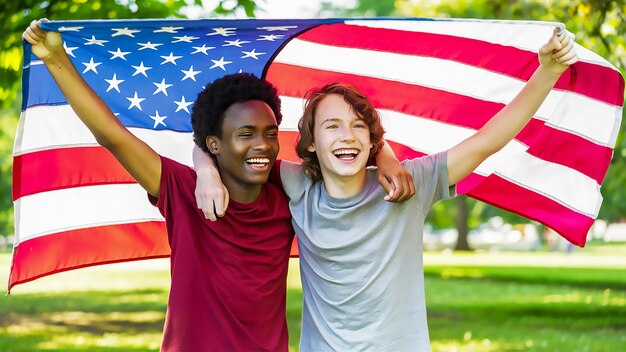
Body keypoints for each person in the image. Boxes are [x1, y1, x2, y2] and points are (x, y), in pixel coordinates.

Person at [23, 18, 414, 352]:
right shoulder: (180, 189)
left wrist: (385, 155)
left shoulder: (287, 190)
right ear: (215, 143)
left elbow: (343, 156)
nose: (262, 144)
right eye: (245, 134)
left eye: (269, 132)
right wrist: (56, 59)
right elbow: (113, 136)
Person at [194, 28, 578, 351]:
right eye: (332, 127)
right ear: (310, 143)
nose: (347, 135)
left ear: (372, 139)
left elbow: (487, 141)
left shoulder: (411, 186)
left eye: (359, 126)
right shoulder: (297, 185)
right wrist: (205, 169)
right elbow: (228, 149)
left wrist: (548, 71)